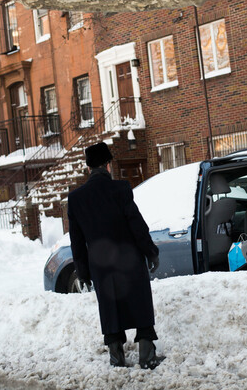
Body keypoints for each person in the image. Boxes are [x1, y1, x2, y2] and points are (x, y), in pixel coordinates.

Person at [67, 142, 164, 369]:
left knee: (110, 309)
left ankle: (116, 357)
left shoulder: (76, 198)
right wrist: (151, 252)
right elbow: (136, 225)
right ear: (108, 165)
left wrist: (83, 273)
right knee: (140, 304)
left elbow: (77, 242)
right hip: (129, 260)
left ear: (88, 167)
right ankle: (147, 356)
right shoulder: (120, 189)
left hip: (101, 266)